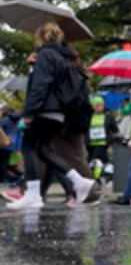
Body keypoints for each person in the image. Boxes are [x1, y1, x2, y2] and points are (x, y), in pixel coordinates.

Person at [9, 22, 95, 209]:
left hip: (45, 109)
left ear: (40, 37)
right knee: (43, 150)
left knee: (28, 147)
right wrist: (34, 65)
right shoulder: (64, 57)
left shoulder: (46, 55)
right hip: (58, 111)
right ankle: (80, 182)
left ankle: (33, 195)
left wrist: (29, 111)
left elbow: (41, 85)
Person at [85, 95, 119, 180]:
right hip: (90, 143)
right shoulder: (88, 116)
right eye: (97, 106)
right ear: (92, 107)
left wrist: (114, 138)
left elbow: (115, 129)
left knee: (93, 160)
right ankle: (107, 174)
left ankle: (94, 177)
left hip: (103, 142)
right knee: (103, 160)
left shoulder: (108, 115)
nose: (99, 108)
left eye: (101, 105)